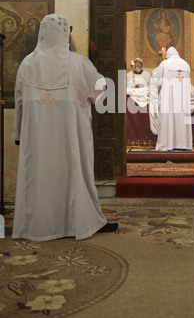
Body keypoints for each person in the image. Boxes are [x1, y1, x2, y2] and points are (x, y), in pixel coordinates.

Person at [12, 13, 118, 241]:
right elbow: (102, 91)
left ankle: (36, 227)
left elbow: (19, 102)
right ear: (64, 35)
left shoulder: (27, 64)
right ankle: (76, 224)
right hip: (70, 136)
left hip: (37, 139)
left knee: (38, 177)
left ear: (42, 34)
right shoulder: (78, 63)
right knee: (72, 173)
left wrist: (18, 133)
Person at [154, 46, 193, 151]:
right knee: (181, 119)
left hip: (168, 97)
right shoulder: (186, 64)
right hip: (182, 98)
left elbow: (157, 81)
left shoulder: (164, 64)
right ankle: (184, 144)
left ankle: (166, 144)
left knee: (168, 119)